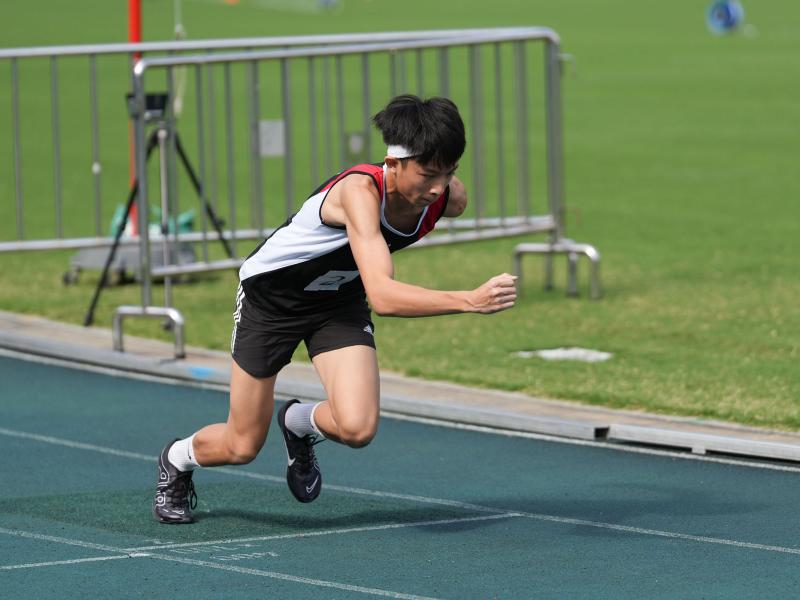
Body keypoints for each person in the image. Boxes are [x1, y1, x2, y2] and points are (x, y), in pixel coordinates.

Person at [153, 94, 517, 524]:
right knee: (241, 445)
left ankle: (299, 422)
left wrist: (441, 181)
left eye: (449, 172)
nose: (438, 187)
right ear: (394, 162)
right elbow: (383, 296)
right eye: (429, 173)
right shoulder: (358, 193)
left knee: (359, 427)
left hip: (337, 301)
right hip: (272, 302)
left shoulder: (447, 198)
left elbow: (446, 202)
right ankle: (176, 459)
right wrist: (468, 301)